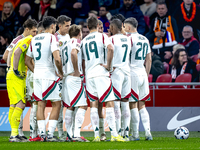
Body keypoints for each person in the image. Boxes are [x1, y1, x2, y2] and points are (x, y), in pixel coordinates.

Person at [81, 16, 125, 142]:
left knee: (94, 105)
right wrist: (109, 66)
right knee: (110, 103)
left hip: (89, 75)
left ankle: (96, 135)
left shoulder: (84, 41)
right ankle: (114, 135)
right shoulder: (102, 36)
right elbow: (111, 48)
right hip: (101, 73)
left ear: (88, 27)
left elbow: (83, 61)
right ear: (97, 26)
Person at [25, 16, 63, 142]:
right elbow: (57, 59)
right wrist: (60, 72)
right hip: (49, 75)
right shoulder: (52, 37)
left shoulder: (34, 39)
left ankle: (42, 135)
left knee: (40, 104)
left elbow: (27, 60)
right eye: (55, 26)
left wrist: (36, 71)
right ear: (52, 26)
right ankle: (51, 135)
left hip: (38, 76)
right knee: (56, 103)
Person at [5, 19, 37, 142]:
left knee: (13, 104)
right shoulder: (27, 40)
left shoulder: (19, 40)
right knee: (21, 103)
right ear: (28, 29)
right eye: (34, 31)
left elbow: (11, 52)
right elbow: (17, 52)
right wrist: (16, 69)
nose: (35, 34)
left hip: (11, 75)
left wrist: (10, 68)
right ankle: (14, 135)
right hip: (17, 76)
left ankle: (14, 133)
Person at [124, 17, 152, 141]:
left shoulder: (128, 39)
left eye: (124, 27)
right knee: (142, 105)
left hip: (132, 73)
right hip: (142, 73)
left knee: (133, 105)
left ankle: (135, 134)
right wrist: (146, 74)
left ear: (129, 27)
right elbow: (149, 59)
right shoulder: (145, 39)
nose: (123, 29)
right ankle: (148, 133)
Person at [62, 24, 88, 142]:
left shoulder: (64, 44)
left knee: (70, 106)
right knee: (82, 105)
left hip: (66, 77)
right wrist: (77, 71)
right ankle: (76, 135)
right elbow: (73, 53)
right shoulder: (77, 42)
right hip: (74, 77)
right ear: (79, 34)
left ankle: (69, 134)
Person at [109, 19, 131, 140]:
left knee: (116, 103)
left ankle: (117, 133)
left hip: (116, 72)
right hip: (127, 71)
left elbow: (109, 52)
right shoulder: (128, 39)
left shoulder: (111, 39)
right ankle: (126, 133)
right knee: (125, 103)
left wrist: (109, 66)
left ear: (112, 28)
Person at [54, 15, 71, 141]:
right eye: (67, 25)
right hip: (58, 75)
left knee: (70, 103)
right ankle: (60, 133)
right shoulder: (54, 38)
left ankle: (71, 131)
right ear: (59, 26)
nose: (69, 28)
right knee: (58, 105)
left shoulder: (70, 36)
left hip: (69, 75)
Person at [28, 21, 44, 142]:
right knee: (36, 104)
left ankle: (35, 133)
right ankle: (33, 134)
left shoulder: (33, 41)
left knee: (36, 103)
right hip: (35, 75)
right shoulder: (34, 41)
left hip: (34, 74)